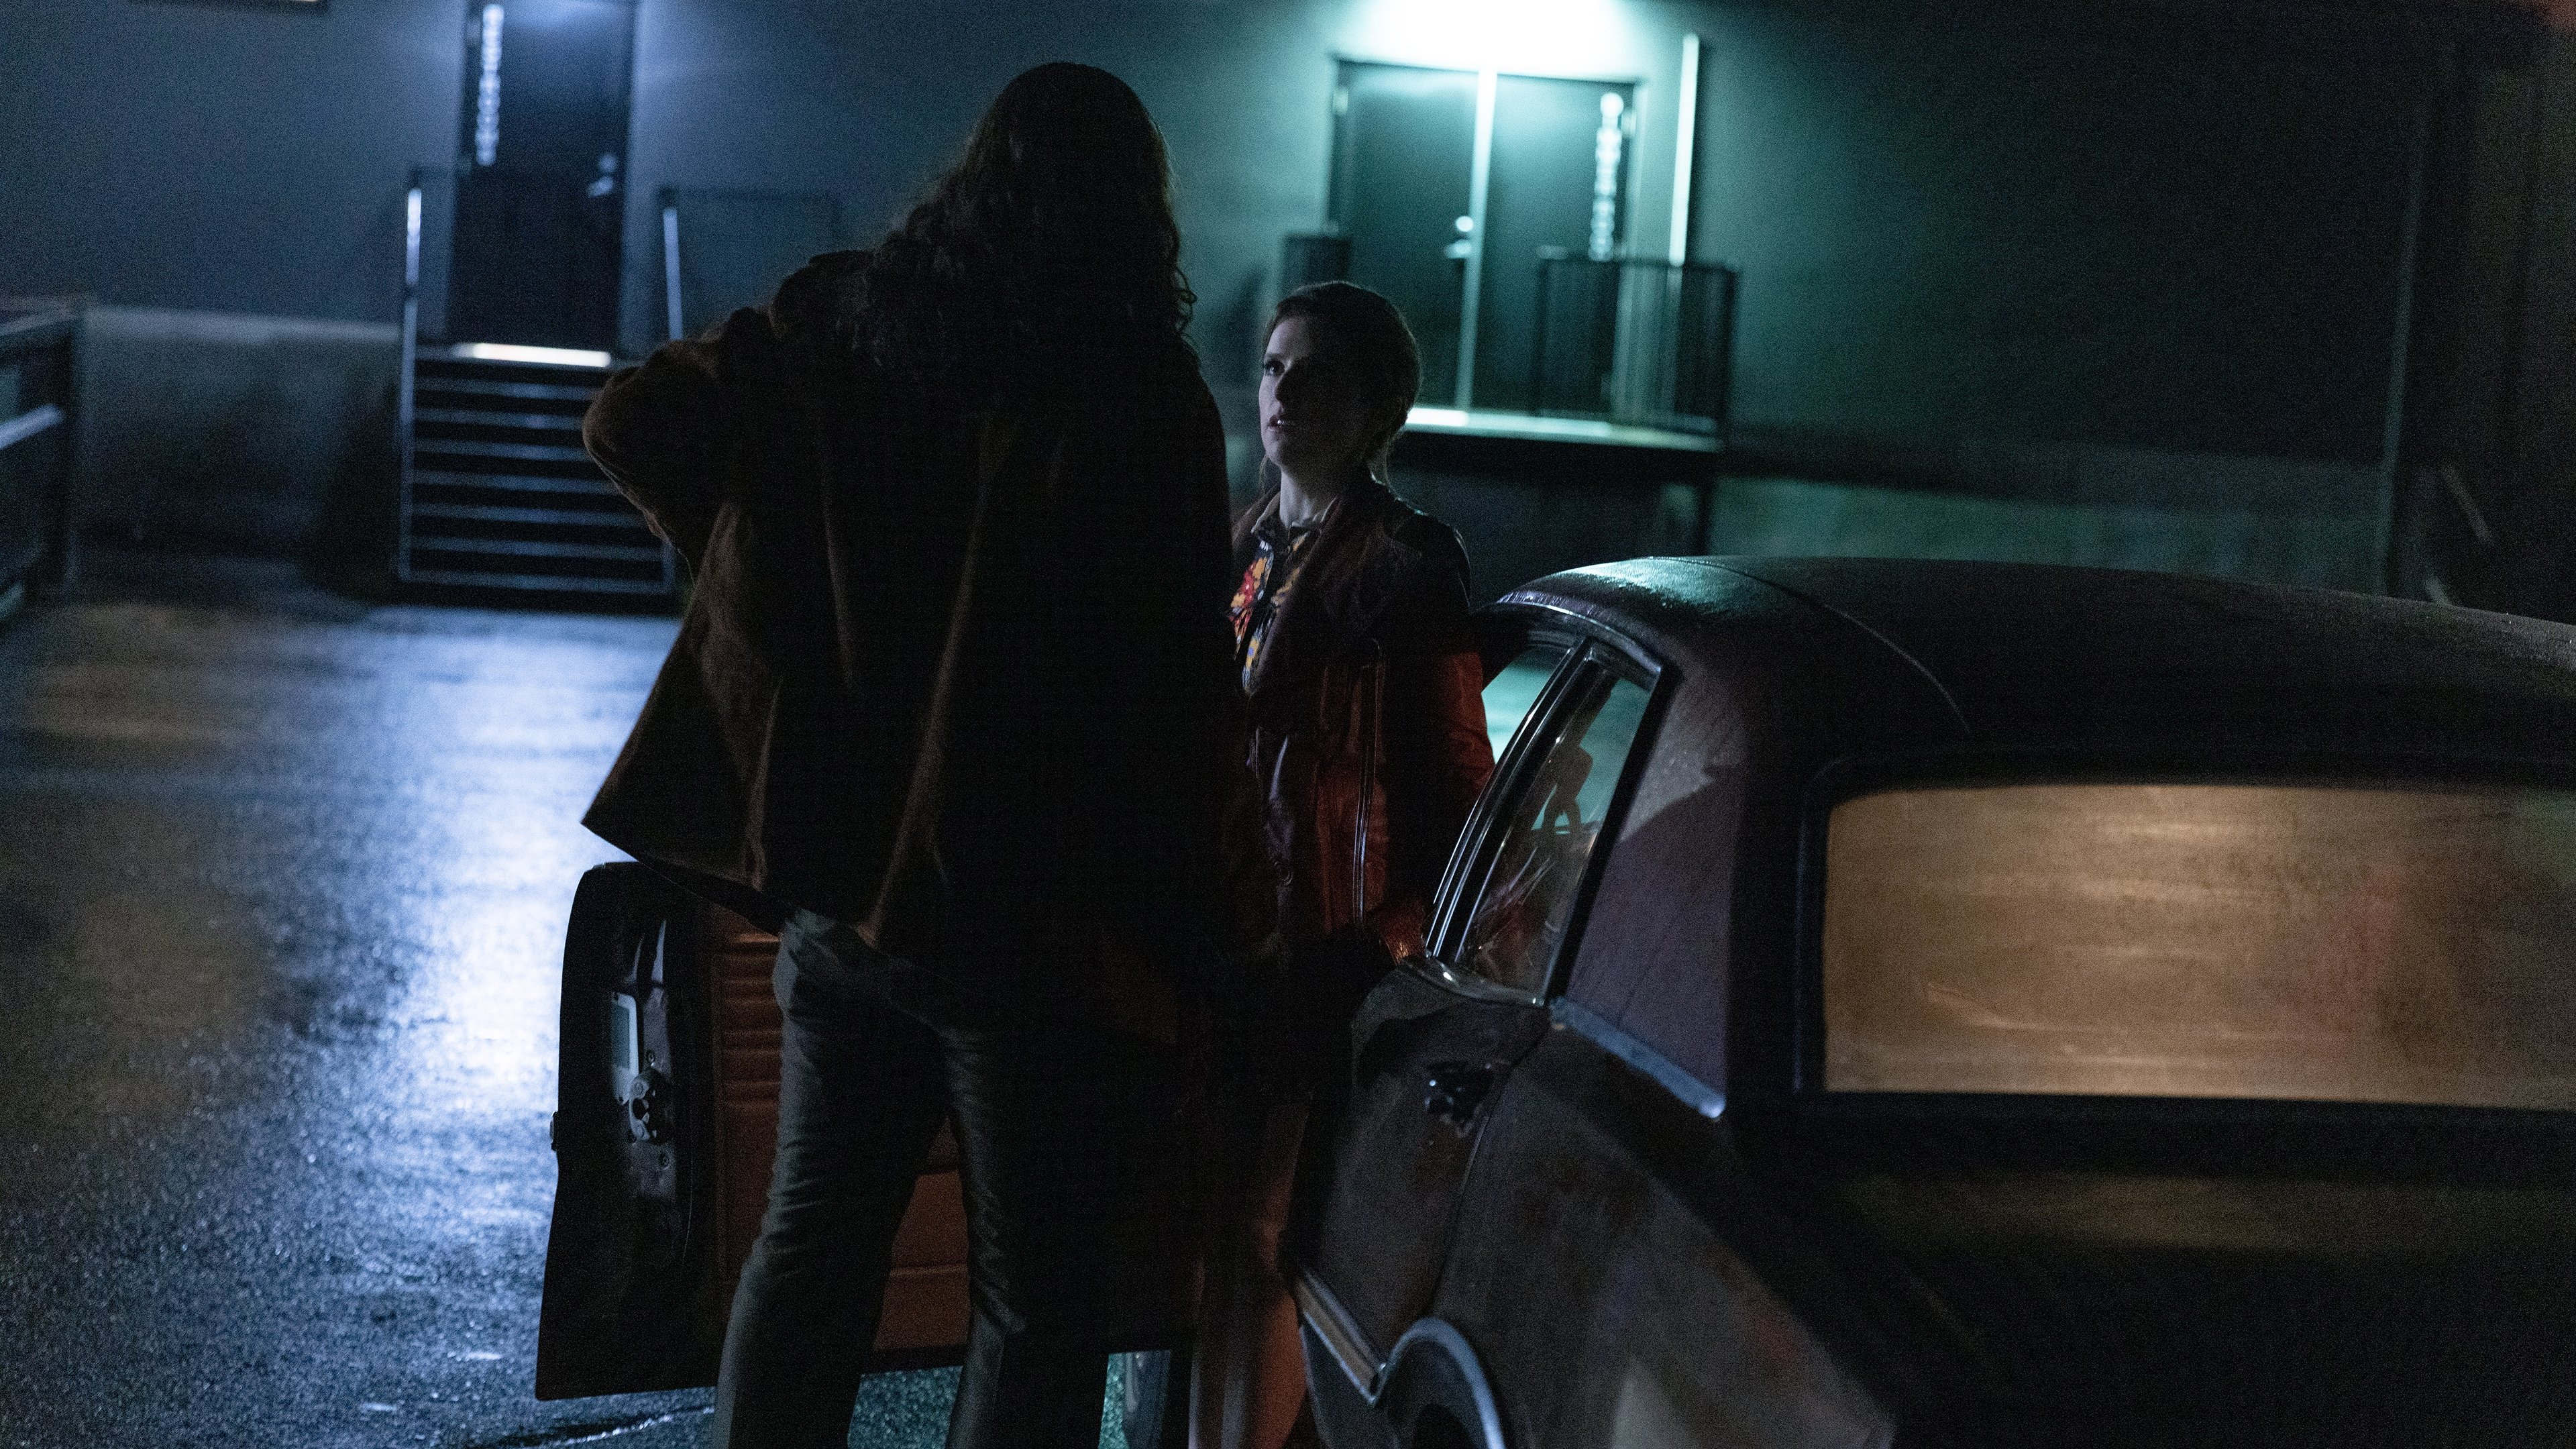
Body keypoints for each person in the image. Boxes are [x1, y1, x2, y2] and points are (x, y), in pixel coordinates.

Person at [580, 63, 1261, 1449]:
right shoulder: (1142, 397)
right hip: (1027, 925)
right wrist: (1195, 934)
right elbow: (1174, 693)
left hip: (843, 902)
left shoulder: (845, 322)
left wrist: (761, 589)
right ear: (1136, 211)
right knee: (1037, 1299)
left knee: (812, 1251)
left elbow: (630, 421)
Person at [1190, 282, 1495, 1449]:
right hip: (1230, 936)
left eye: (1317, 373)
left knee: (1269, 1237)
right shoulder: (1241, 541)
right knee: (1216, 1236)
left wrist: (1380, 944)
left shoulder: (1405, 563)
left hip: (1327, 948)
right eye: (1275, 366)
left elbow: (1460, 792)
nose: (1284, 392)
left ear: (1377, 409)